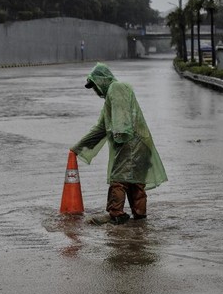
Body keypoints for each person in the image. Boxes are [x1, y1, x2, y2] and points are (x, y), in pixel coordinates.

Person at [70, 63, 167, 225]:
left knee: (119, 179)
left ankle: (116, 213)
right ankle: (140, 218)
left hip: (130, 143)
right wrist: (78, 147)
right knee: (135, 181)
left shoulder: (117, 87)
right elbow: (100, 129)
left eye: (95, 86)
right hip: (139, 144)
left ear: (102, 80)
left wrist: (120, 135)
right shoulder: (110, 98)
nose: (95, 90)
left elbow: (122, 120)